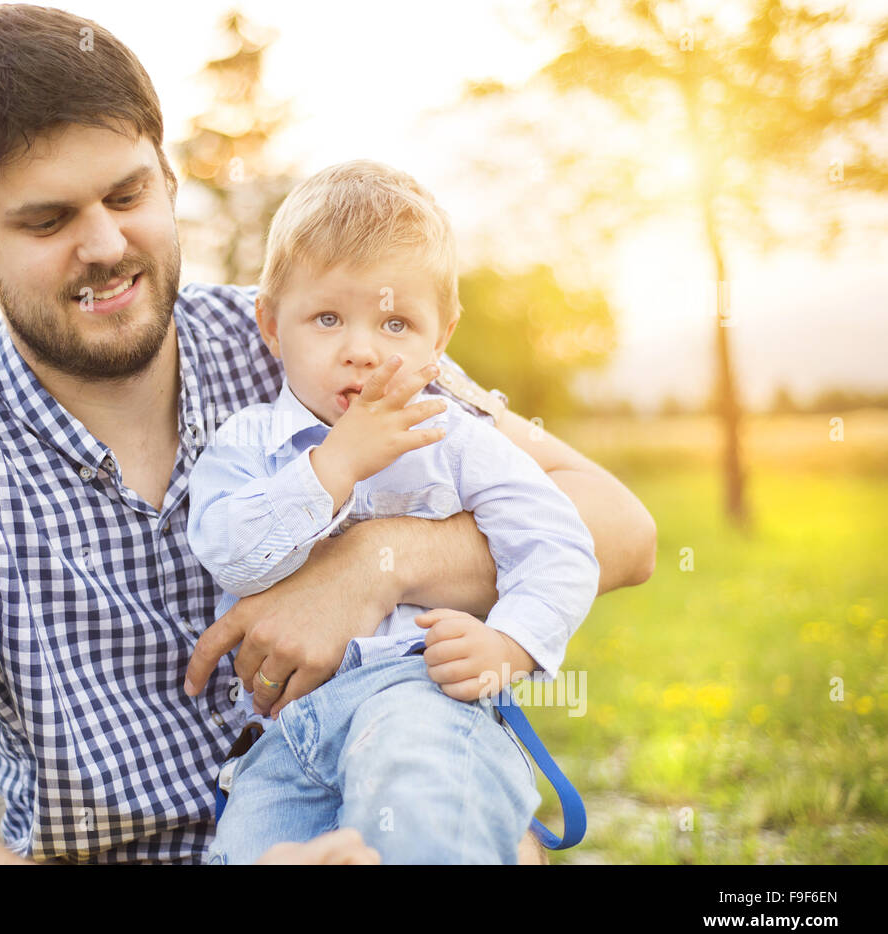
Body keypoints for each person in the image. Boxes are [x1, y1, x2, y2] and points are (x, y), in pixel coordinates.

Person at [0, 4, 656, 865]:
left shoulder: (312, 337)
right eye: (48, 219)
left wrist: (371, 561)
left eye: (126, 192)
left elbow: (618, 526)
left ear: (167, 176)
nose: (104, 244)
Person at [189, 161, 600, 863]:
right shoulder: (249, 441)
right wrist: (332, 467)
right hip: (287, 737)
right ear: (270, 324)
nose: (362, 349)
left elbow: (560, 542)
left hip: (421, 697)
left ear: (440, 338)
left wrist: (512, 645)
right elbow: (226, 550)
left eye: (396, 322)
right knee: (250, 847)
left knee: (421, 811)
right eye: (327, 318)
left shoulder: (459, 439)